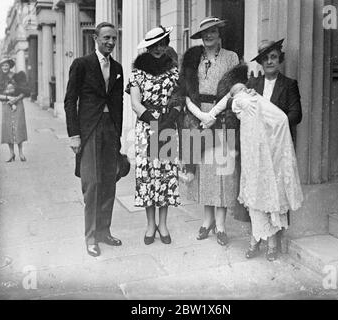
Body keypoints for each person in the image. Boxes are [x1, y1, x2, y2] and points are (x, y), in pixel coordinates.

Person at [175, 17, 241, 246]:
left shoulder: (231, 57)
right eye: (205, 33)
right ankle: (207, 221)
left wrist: (213, 114)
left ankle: (221, 225)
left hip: (222, 117)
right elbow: (185, 91)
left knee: (221, 172)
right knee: (203, 170)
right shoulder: (192, 59)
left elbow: (234, 89)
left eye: (212, 31)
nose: (209, 35)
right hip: (197, 119)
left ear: (219, 33)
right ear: (200, 37)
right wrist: (200, 115)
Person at [64, 22, 125, 257]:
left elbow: (117, 102)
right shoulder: (82, 64)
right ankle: (90, 237)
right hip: (89, 130)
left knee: (109, 181)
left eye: (114, 38)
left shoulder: (117, 67)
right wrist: (74, 134)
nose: (110, 42)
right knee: (92, 184)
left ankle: (103, 232)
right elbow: (70, 100)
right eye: (106, 37)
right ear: (95, 38)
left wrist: (118, 134)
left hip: (110, 131)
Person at [243, 39, 303, 261]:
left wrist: (276, 123)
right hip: (257, 149)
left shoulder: (289, 85)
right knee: (255, 193)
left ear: (280, 60)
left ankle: (272, 243)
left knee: (274, 194)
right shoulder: (253, 85)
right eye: (266, 58)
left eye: (274, 57)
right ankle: (255, 239)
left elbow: (296, 114)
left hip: (277, 149)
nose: (270, 61)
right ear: (260, 62)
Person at [126, 26, 181, 245]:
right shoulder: (137, 73)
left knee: (166, 174)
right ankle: (150, 225)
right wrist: (153, 120)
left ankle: (163, 224)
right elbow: (135, 103)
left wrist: (170, 118)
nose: (158, 49)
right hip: (146, 127)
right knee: (147, 175)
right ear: (147, 48)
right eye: (154, 45)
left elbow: (178, 98)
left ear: (167, 44)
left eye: (162, 44)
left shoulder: (174, 71)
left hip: (167, 125)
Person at [0, 57, 30, 162]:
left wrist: (16, 99)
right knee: (8, 128)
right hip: (6, 104)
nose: (5, 67)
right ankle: (11, 153)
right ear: (0, 67)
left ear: (10, 66)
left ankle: (21, 153)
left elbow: (25, 91)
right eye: (3, 65)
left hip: (18, 104)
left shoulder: (18, 76)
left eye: (6, 65)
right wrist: (9, 98)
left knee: (19, 126)